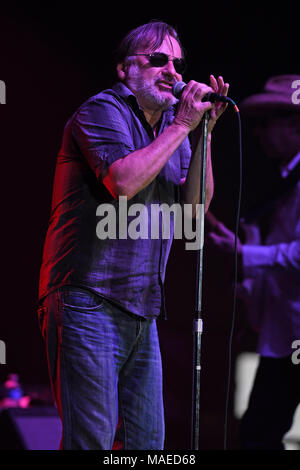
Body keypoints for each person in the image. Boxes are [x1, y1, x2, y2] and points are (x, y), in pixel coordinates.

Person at [37, 21, 229, 450]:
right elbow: (123, 183)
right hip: (88, 298)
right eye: (157, 60)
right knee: (93, 441)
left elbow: (195, 210)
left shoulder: (171, 127)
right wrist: (183, 124)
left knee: (148, 446)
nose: (172, 72)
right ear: (125, 69)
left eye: (177, 64)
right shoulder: (101, 111)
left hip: (142, 308)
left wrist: (204, 134)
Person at [207, 75, 300, 449]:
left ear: (295, 124)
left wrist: (244, 253)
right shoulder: (284, 183)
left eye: (268, 122)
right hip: (284, 333)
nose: (259, 133)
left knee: (260, 434)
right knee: (258, 433)